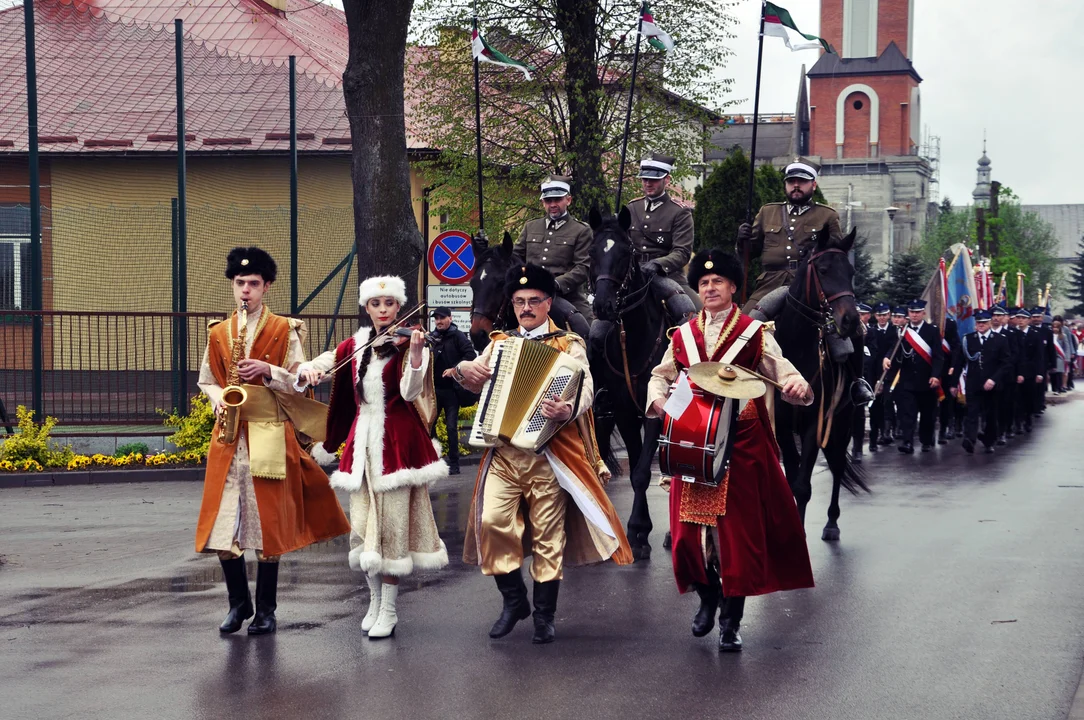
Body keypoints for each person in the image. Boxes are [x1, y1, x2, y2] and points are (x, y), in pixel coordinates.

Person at [646, 248, 815, 653]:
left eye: (717, 281)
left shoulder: (755, 333)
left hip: (742, 443)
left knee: (735, 541)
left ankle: (730, 621)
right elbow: (660, 375)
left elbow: (784, 372)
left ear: (733, 287)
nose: (709, 288)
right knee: (687, 539)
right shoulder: (683, 335)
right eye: (703, 283)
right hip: (691, 442)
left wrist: (798, 385)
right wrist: (658, 399)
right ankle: (708, 597)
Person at [454, 264, 633, 644]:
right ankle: (514, 600)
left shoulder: (569, 344)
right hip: (504, 453)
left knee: (548, 537)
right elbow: (475, 379)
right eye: (519, 301)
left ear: (548, 303)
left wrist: (568, 409)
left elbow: (585, 387)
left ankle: (544, 616)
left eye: (534, 301)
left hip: (548, 455)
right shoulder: (499, 344)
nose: (526, 308)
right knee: (492, 523)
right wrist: (463, 369)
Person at [196, 247, 350, 635]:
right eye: (240, 284)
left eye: (253, 284)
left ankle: (266, 611)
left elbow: (299, 380)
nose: (245, 291)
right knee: (221, 527)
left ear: (266, 287)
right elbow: (206, 380)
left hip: (269, 432)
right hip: (230, 436)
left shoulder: (285, 329)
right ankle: (238, 604)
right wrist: (218, 399)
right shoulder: (218, 332)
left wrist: (268, 370)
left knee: (268, 527)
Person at [298, 275, 448, 640]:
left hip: (397, 444)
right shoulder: (354, 344)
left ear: (399, 307)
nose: (383, 310)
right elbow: (320, 365)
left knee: (392, 529)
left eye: (389, 304)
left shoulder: (410, 344)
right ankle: (374, 601)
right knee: (364, 528)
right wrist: (308, 370)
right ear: (366, 308)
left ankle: (390, 610)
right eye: (375, 304)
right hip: (361, 445)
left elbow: (410, 392)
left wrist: (416, 356)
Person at [738, 157, 874, 405]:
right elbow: (750, 253)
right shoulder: (768, 212)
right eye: (791, 181)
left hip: (812, 287)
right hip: (770, 283)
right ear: (786, 185)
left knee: (851, 327)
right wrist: (743, 239)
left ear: (813, 184)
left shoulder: (826, 215)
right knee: (740, 327)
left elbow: (836, 255)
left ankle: (857, 381)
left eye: (801, 181)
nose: (796, 186)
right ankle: (729, 380)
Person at [625, 152, 699, 324]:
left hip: (667, 276)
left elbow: (682, 252)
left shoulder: (679, 212)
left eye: (654, 179)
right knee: (599, 324)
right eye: (645, 179)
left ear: (667, 180)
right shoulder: (632, 208)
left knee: (693, 315)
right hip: (633, 276)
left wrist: (658, 264)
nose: (648, 183)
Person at [513, 175, 594, 319]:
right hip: (528, 293)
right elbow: (514, 257)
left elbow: (583, 267)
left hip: (566, 295)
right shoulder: (531, 226)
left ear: (568, 200)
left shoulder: (581, 230)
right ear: (543, 202)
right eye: (548, 200)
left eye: (557, 199)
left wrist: (557, 283)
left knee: (586, 328)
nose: (552, 204)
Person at [883, 299, 943, 454]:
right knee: (907, 413)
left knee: (927, 414)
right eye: (912, 312)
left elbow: (938, 356)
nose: (914, 315)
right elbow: (894, 348)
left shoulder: (932, 331)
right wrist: (887, 358)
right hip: (907, 380)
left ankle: (926, 441)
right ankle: (907, 442)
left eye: (917, 312)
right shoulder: (903, 331)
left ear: (923, 313)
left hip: (927, 380)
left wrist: (936, 375)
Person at [952, 309, 1010, 454]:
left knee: (990, 415)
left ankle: (989, 441)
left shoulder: (1000, 339)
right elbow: (959, 362)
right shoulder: (968, 339)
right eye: (978, 322)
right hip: (973, 383)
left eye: (984, 322)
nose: (981, 325)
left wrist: (993, 379)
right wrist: (953, 384)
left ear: (989, 323)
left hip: (992, 384)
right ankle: (970, 439)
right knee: (971, 412)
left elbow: (1006, 363)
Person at [428, 307, 477, 475]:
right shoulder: (432, 337)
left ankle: (454, 463)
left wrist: (455, 369)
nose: (439, 321)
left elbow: (470, 355)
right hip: (435, 390)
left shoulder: (458, 336)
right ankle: (435, 459)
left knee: (450, 427)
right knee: (430, 425)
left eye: (442, 318)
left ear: (450, 318)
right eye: (436, 319)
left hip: (452, 391)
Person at [990, 305, 1022, 443]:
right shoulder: (986, 333)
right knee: (990, 406)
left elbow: (1015, 354)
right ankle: (990, 430)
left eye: (999, 316)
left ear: (1004, 317)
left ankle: (1004, 430)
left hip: (1006, 375)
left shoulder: (1010, 334)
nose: (996, 318)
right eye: (994, 315)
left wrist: (1005, 366)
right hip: (988, 375)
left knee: (1005, 404)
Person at [866, 302, 893, 451]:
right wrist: (876, 379)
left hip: (890, 375)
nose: (882, 318)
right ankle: (873, 440)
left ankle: (886, 432)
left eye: (884, 315)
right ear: (875, 316)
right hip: (874, 375)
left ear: (889, 315)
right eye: (879, 315)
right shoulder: (871, 332)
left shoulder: (894, 331)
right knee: (874, 408)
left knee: (887, 405)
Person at [1013, 307, 1040, 433]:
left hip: (1030, 371)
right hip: (1016, 371)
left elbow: (1039, 355)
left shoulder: (1035, 335)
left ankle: (1028, 419)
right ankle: (1018, 422)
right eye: (1018, 318)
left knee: (1029, 397)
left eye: (1023, 318)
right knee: (1016, 398)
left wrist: (1040, 373)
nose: (1021, 320)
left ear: (1029, 320)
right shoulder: (1013, 334)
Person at [937, 315, 961, 444]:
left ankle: (946, 428)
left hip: (946, 370)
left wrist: (953, 366)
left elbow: (956, 347)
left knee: (947, 401)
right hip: (931, 369)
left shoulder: (949, 323)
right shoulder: (930, 323)